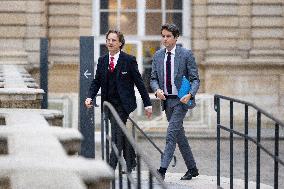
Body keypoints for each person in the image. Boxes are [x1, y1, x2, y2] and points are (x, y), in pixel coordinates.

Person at [85, 29, 152, 173]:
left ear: (120, 43)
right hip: (108, 104)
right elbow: (96, 82)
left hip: (124, 105)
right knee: (121, 132)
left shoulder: (129, 60)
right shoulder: (102, 61)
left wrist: (147, 104)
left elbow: (139, 83)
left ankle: (111, 166)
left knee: (116, 134)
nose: (110, 42)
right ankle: (132, 160)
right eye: (108, 40)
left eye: (113, 40)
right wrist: (90, 96)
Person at [150, 23, 200, 180]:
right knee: (179, 136)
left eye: (168, 36)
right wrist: (157, 89)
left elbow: (195, 79)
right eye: (163, 36)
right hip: (167, 102)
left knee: (171, 134)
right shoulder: (158, 55)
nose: (165, 39)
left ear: (176, 38)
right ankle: (192, 169)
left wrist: (190, 94)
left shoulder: (186, 54)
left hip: (181, 101)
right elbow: (153, 78)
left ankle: (162, 171)